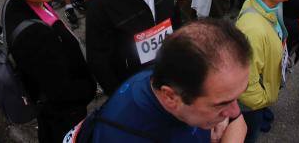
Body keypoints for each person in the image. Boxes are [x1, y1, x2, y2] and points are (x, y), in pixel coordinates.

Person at [79, 19, 249, 142]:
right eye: (222, 104)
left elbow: (238, 122)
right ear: (170, 97)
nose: (235, 110)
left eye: (237, 97)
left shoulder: (172, 74)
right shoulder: (123, 136)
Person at [0, 0, 96, 143]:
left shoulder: (31, 3)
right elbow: (60, 91)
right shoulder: (33, 35)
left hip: (52, 108)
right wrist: (88, 90)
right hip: (63, 115)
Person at [236, 0, 294, 141]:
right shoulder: (252, 31)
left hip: (262, 93)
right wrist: (264, 100)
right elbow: (246, 87)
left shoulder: (268, 4)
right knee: (250, 135)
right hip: (251, 106)